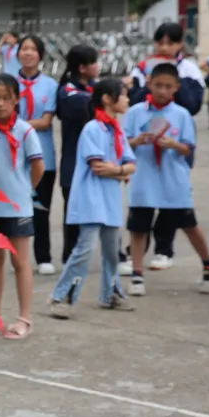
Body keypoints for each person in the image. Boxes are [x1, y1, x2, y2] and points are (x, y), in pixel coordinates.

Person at [123, 63, 209, 297]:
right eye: (158, 85)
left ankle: (208, 264)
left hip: (173, 178)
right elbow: (121, 143)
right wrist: (137, 141)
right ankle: (137, 274)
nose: (162, 91)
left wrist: (173, 144)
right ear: (149, 84)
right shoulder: (136, 112)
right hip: (144, 177)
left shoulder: (181, 114)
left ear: (176, 88)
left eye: (168, 86)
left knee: (188, 224)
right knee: (138, 227)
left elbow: (188, 149)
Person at [48, 79, 136, 318]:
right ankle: (62, 296)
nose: (127, 99)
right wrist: (121, 170)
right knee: (84, 248)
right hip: (91, 197)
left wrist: (118, 169)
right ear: (107, 99)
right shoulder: (92, 129)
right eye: (124, 95)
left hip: (109, 198)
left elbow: (131, 164)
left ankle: (111, 293)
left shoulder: (116, 130)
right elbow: (98, 167)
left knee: (111, 250)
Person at [127, 22, 205, 270]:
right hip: (154, 156)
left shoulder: (189, 70)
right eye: (160, 42)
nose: (164, 47)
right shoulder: (142, 69)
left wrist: (174, 79)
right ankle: (138, 259)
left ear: (181, 44)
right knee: (146, 207)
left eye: (171, 42)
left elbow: (194, 105)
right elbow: (133, 102)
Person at [0, 74, 44, 339]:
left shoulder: (25, 131)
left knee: (20, 263)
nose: (0, 104)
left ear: (16, 99)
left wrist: (25, 190)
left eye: (6, 98)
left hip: (17, 209)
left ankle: (24, 317)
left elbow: (37, 167)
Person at [13, 35, 59, 275]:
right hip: (13, 155)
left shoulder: (50, 86)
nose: (28, 53)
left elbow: (46, 121)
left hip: (42, 156)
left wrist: (17, 124)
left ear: (40, 55)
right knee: (13, 209)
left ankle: (43, 257)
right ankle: (14, 256)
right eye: (24, 49)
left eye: (32, 49)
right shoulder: (8, 84)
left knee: (41, 208)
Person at [56, 44, 100, 263]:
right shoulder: (68, 92)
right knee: (73, 212)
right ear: (82, 68)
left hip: (96, 159)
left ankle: (115, 253)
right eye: (94, 62)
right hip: (74, 161)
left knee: (101, 207)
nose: (98, 66)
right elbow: (89, 112)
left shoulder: (92, 89)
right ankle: (70, 256)